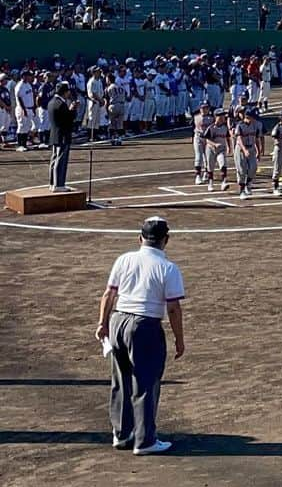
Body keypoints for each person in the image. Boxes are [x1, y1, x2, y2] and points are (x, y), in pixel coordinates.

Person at [94, 216, 185, 455]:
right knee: (146, 383)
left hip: (118, 321)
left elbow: (108, 294)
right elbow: (173, 307)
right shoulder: (168, 268)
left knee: (121, 380)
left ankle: (122, 434)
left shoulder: (124, 260)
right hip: (145, 326)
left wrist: (103, 324)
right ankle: (145, 440)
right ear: (166, 240)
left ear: (140, 238)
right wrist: (179, 338)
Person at [46, 80, 76, 191]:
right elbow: (68, 120)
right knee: (61, 160)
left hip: (55, 134)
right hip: (63, 134)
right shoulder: (61, 104)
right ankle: (59, 184)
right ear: (64, 92)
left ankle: (52, 183)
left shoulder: (52, 102)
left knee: (54, 159)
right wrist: (72, 110)